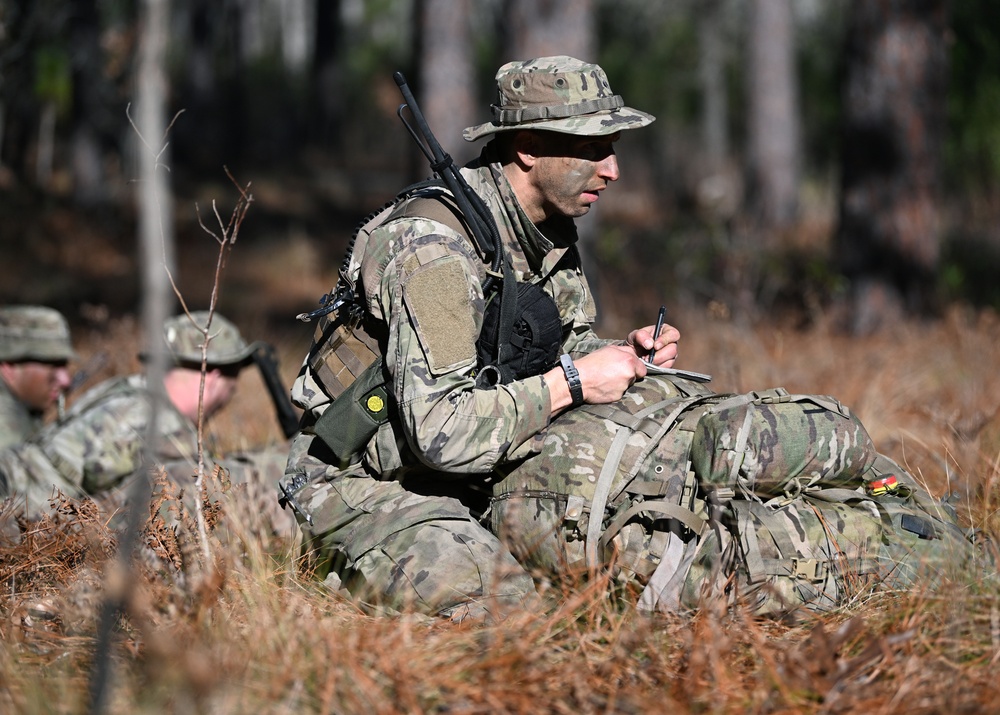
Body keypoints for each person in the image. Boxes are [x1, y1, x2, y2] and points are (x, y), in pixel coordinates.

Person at [281, 57, 983, 621]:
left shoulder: (547, 233)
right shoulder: (433, 252)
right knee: (510, 613)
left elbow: (555, 343)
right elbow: (440, 432)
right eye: (593, 148)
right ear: (527, 148)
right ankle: (340, 579)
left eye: (613, 148)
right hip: (373, 479)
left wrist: (621, 355)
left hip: (480, 463)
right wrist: (578, 382)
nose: (613, 170)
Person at [0, 311, 295, 538]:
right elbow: (197, 488)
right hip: (20, 516)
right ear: (216, 376)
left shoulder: (121, 391)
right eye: (234, 384)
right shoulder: (162, 424)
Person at [0, 306, 74, 450]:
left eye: (64, 365)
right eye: (52, 365)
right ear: (9, 367)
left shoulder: (22, 408)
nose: (66, 380)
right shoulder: (7, 432)